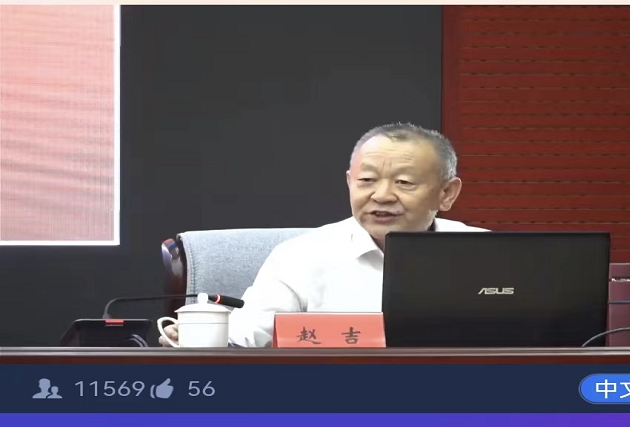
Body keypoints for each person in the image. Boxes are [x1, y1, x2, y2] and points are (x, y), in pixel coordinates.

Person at [160, 123, 486, 348]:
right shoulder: (301, 256)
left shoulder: (484, 255)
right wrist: (197, 336)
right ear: (349, 182)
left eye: (404, 183)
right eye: (367, 180)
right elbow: (250, 332)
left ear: (447, 193)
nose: (382, 195)